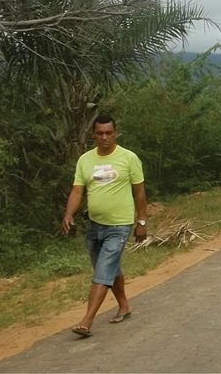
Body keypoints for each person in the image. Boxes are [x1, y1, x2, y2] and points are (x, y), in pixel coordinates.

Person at [61, 113, 147, 337]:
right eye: (100, 133)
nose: (104, 137)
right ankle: (125, 305)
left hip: (120, 225)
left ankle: (87, 321)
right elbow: (78, 190)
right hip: (95, 225)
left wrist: (142, 221)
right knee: (110, 268)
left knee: (102, 270)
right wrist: (68, 214)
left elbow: (139, 192)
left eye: (109, 133)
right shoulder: (85, 160)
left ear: (115, 133)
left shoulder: (128, 158)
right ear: (93, 135)